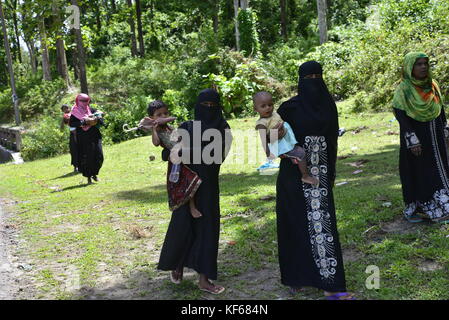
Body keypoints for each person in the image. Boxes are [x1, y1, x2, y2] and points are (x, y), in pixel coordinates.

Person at [275, 61, 354, 300]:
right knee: (294, 225)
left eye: (317, 76)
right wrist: (290, 152)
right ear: (299, 80)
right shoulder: (288, 108)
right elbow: (272, 144)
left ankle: (331, 283)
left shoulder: (329, 106)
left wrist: (331, 172)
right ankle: (296, 277)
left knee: (323, 227)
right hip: (292, 176)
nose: (313, 81)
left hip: (320, 175)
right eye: (308, 76)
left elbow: (333, 142)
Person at [157, 88, 232, 294]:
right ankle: (178, 264)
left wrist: (186, 150)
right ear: (197, 107)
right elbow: (168, 151)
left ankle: (204, 279)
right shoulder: (187, 127)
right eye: (204, 105)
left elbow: (217, 157)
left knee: (207, 230)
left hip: (207, 186)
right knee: (182, 226)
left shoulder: (223, 128)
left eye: (213, 106)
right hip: (186, 184)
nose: (208, 109)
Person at [393, 52, 449, 223]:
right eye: (418, 64)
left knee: (440, 168)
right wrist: (411, 139)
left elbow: (440, 110)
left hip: (436, 137)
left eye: (425, 63)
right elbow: (401, 115)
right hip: (417, 141)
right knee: (419, 171)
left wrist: (446, 130)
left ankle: (443, 204)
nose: (423, 67)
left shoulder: (433, 85)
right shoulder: (404, 89)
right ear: (410, 67)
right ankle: (423, 208)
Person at [144, 100, 203, 218]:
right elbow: (156, 143)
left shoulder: (169, 127)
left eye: (165, 113)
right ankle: (191, 208)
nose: (163, 116)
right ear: (152, 118)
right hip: (175, 161)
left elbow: (179, 138)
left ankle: (192, 206)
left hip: (182, 155)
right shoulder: (158, 130)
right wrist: (154, 129)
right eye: (159, 115)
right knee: (187, 179)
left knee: (190, 180)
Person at [253, 91, 319, 186]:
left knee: (295, 152)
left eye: (270, 105)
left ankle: (293, 158)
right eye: (263, 106)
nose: (268, 108)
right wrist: (268, 153)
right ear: (255, 109)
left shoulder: (273, 114)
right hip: (280, 145)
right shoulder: (261, 123)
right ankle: (305, 176)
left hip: (286, 141)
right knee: (301, 153)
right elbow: (264, 140)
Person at [69, 93, 104, 185]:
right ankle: (89, 178)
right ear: (78, 101)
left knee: (99, 155)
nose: (85, 103)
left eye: (86, 101)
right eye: (83, 101)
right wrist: (83, 122)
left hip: (94, 136)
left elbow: (100, 115)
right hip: (83, 137)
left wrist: (98, 117)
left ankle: (94, 174)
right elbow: (72, 124)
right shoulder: (74, 112)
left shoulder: (91, 110)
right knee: (87, 157)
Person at [60, 104, 78, 172]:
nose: (66, 110)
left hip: (79, 132)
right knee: (73, 150)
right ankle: (75, 166)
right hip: (73, 133)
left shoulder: (74, 113)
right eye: (64, 109)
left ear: (69, 108)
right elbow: (62, 126)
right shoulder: (65, 116)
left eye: (66, 108)